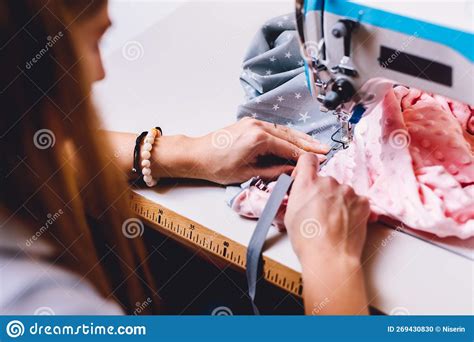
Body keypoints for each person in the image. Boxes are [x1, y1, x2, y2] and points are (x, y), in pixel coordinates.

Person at [0, 0, 370, 315]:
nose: (100, 72)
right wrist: (330, 262)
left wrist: (181, 153)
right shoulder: (42, 305)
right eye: (96, 40)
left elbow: (19, 152)